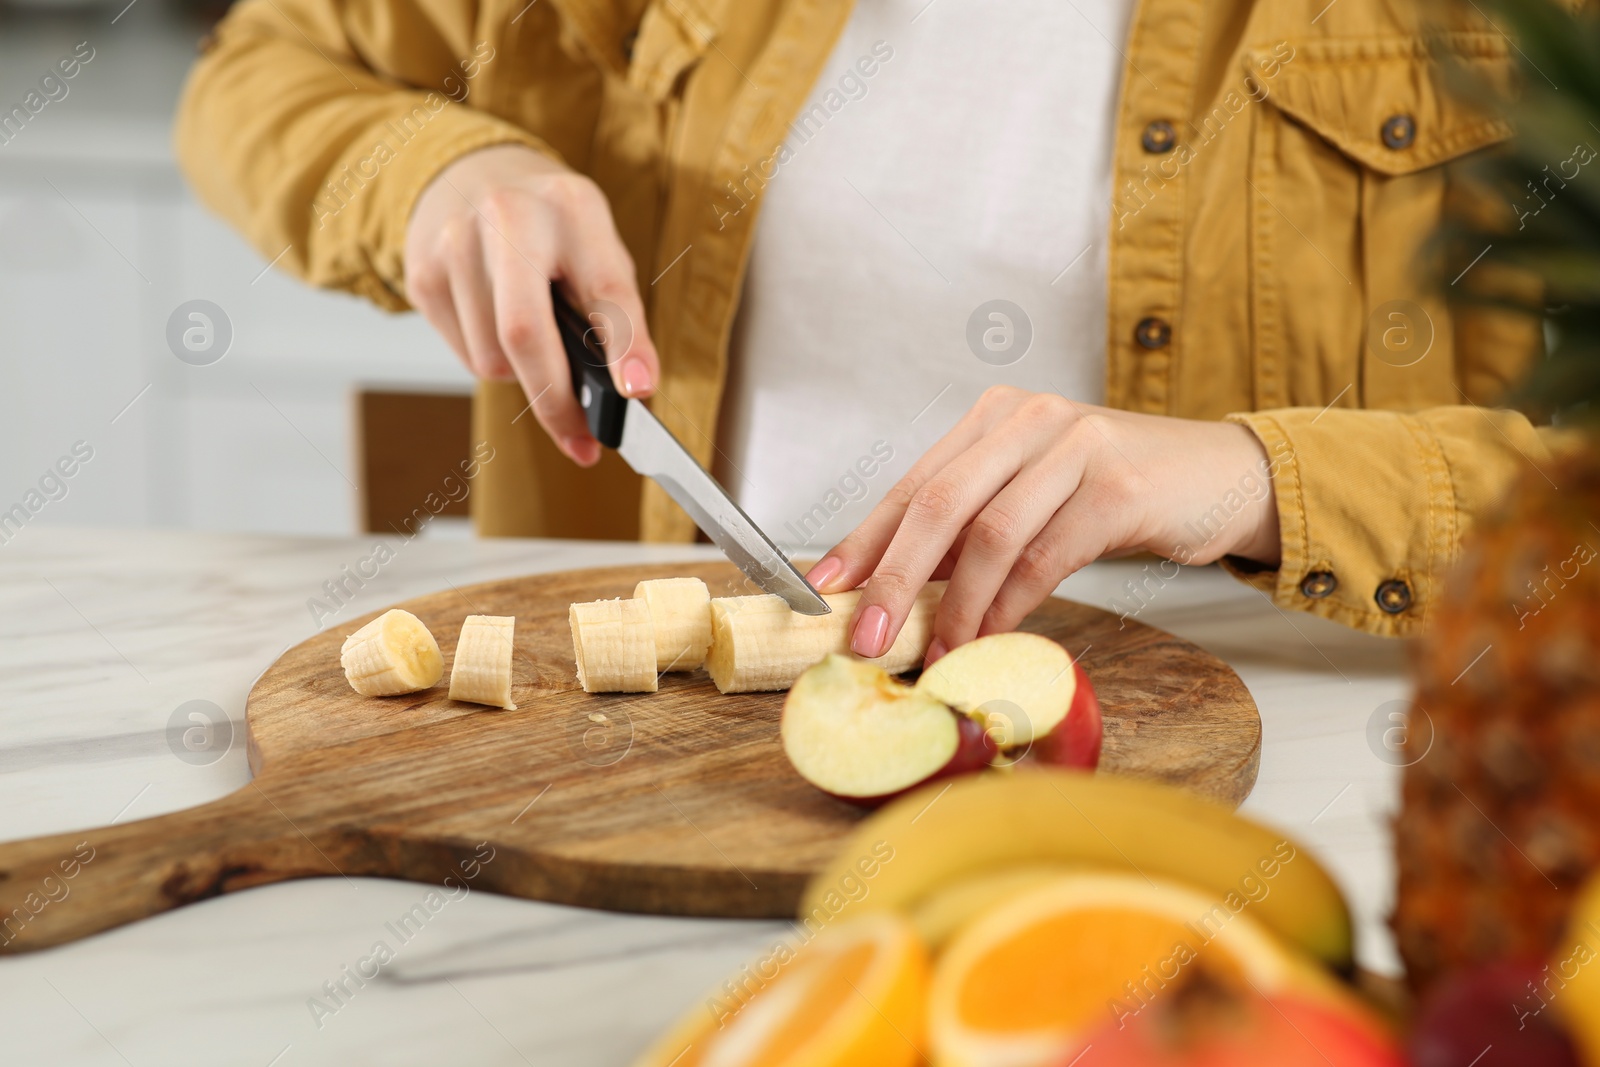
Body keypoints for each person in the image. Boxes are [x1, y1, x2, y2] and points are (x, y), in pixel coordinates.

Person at [175, 0, 1549, 662]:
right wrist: (431, 169)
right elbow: (261, 69)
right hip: (681, 763)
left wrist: (1257, 481)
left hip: (1291, 752)